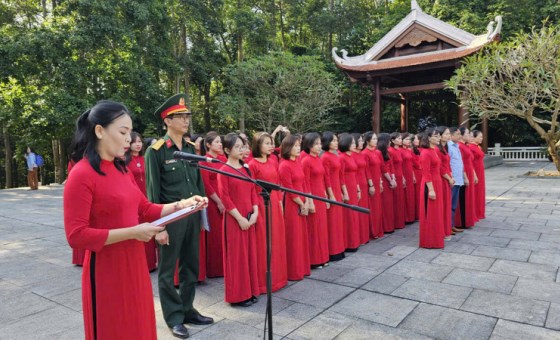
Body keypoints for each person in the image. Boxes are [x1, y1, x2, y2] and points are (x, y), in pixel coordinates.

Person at [64, 100, 207, 340]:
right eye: (122, 132)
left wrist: (182, 205)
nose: (129, 139)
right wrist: (132, 232)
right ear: (99, 131)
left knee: (138, 325)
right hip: (106, 270)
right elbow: (76, 235)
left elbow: (145, 208)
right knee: (116, 328)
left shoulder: (121, 169)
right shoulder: (82, 174)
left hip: (134, 264)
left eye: (129, 132)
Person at [145, 94, 214, 339]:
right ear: (167, 120)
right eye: (180, 117)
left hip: (192, 216)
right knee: (166, 272)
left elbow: (197, 182)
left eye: (187, 116)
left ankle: (188, 310)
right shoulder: (156, 151)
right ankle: (174, 318)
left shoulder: (189, 148)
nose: (186, 121)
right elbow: (152, 193)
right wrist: (159, 226)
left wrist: (202, 204)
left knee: (190, 266)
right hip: (170, 219)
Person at [218, 133, 260, 307]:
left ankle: (250, 291)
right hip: (235, 219)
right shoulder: (223, 170)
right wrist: (240, 218)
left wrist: (256, 212)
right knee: (237, 257)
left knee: (249, 254)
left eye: (242, 146)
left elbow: (253, 191)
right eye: (237, 147)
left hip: (249, 215)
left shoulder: (246, 168)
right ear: (227, 150)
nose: (241, 149)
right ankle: (238, 295)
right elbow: (225, 198)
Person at [249, 132, 288, 293]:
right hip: (261, 204)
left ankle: (279, 279)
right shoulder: (252, 164)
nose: (271, 146)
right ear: (258, 145)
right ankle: (263, 283)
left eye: (272, 143)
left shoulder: (273, 160)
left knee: (277, 239)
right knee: (264, 242)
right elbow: (251, 189)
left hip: (274, 203)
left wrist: (280, 202)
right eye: (267, 143)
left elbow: (277, 183)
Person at [279, 134, 311, 280]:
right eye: (295, 146)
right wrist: (301, 203)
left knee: (301, 237)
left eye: (299, 145)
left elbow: (303, 182)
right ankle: (293, 271)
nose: (298, 148)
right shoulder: (284, 165)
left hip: (301, 201)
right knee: (293, 237)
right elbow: (289, 190)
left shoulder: (298, 161)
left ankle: (302, 268)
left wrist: (306, 201)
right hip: (292, 204)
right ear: (287, 147)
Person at [126, 131, 158, 271]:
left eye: (140, 142)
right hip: (133, 199)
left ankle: (150, 263)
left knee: (149, 227)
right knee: (138, 229)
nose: (138, 144)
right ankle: (139, 263)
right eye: (135, 142)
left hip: (147, 197)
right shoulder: (124, 161)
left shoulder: (145, 159)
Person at [199, 132, 226, 278]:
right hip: (213, 200)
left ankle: (225, 265)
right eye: (216, 142)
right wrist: (219, 202)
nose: (220, 144)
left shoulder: (222, 159)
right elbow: (207, 185)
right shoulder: (203, 161)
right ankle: (215, 269)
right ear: (208, 145)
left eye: (220, 142)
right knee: (215, 235)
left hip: (225, 198)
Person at [302, 132, 330, 268]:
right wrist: (310, 201)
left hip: (320, 194)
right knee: (314, 228)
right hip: (313, 196)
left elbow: (322, 179)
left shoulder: (318, 159)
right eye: (316, 144)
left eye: (320, 144)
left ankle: (323, 257)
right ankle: (314, 259)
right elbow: (305, 182)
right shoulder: (306, 160)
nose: (319, 146)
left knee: (322, 228)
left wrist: (325, 196)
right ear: (308, 145)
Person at [418, 128, 445, 249]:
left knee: (436, 213)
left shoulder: (434, 150)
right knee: (430, 213)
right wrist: (431, 189)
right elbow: (426, 172)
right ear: (428, 138)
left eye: (439, 136)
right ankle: (429, 241)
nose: (438, 138)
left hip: (437, 182)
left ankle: (436, 239)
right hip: (430, 184)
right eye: (435, 136)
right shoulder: (425, 152)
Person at [321, 132, 345, 261]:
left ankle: (339, 249)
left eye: (337, 140)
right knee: (332, 221)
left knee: (338, 221)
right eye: (333, 140)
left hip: (337, 188)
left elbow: (339, 176)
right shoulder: (325, 157)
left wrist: (342, 191)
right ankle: (333, 251)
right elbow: (327, 178)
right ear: (327, 142)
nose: (336, 142)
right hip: (331, 190)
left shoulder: (335, 156)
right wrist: (331, 195)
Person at [338, 133, 361, 252]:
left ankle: (354, 242)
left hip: (353, 186)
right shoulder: (341, 157)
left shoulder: (351, 156)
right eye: (352, 143)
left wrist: (358, 188)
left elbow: (355, 173)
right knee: (348, 216)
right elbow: (340, 177)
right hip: (346, 187)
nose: (355, 144)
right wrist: (344, 192)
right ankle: (348, 243)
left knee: (354, 215)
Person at [454, 127, 478, 229]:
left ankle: (467, 219)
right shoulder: (459, 146)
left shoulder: (465, 146)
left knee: (467, 198)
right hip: (464, 172)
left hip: (468, 171)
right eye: (467, 134)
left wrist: (474, 174)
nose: (469, 136)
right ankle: (461, 221)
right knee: (463, 198)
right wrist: (465, 176)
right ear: (462, 135)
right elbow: (461, 163)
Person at [362, 132, 384, 239]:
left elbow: (379, 168)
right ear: (367, 141)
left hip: (377, 180)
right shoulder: (365, 153)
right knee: (373, 207)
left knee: (378, 207)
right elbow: (367, 171)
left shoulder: (377, 152)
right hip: (370, 182)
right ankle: (372, 231)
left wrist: (380, 182)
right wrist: (371, 185)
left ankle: (378, 230)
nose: (376, 141)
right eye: (373, 139)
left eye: (376, 139)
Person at [351, 133, 371, 244]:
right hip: (356, 183)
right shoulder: (351, 155)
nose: (361, 142)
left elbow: (366, 170)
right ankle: (358, 237)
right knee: (358, 212)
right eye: (359, 141)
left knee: (363, 211)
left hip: (363, 183)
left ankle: (364, 236)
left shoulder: (361, 155)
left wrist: (370, 183)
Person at [435, 127, 454, 239]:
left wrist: (451, 176)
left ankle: (446, 230)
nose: (448, 136)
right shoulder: (437, 149)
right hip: (442, 180)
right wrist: (449, 178)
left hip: (447, 179)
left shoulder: (444, 147)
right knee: (443, 206)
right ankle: (441, 231)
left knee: (446, 205)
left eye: (449, 134)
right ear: (440, 135)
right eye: (446, 134)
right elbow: (440, 168)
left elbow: (447, 164)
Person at [377, 133, 397, 234]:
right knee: (385, 204)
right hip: (384, 179)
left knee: (389, 204)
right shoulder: (379, 153)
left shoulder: (388, 152)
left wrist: (393, 178)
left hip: (389, 177)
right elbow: (383, 168)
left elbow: (391, 166)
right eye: (388, 141)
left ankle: (390, 226)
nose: (390, 142)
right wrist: (390, 179)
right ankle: (385, 226)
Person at [447, 128, 465, 234]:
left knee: (454, 205)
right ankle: (448, 226)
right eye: (457, 134)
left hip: (458, 179)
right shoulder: (449, 146)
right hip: (452, 180)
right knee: (449, 204)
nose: (460, 136)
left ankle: (452, 225)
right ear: (452, 135)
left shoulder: (456, 146)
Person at [389, 132, 406, 229]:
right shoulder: (390, 151)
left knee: (400, 200)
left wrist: (403, 177)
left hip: (400, 176)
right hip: (395, 176)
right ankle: (395, 222)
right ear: (393, 140)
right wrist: (393, 177)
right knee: (396, 199)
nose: (400, 140)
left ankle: (400, 222)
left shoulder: (399, 150)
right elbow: (390, 166)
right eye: (398, 138)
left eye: (401, 138)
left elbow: (401, 166)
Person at [470, 130, 486, 220]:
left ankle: (480, 212)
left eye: (482, 137)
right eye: (480, 137)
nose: (482, 138)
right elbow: (470, 162)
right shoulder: (470, 147)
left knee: (480, 191)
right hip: (475, 171)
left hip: (481, 171)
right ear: (474, 137)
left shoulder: (478, 147)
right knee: (476, 192)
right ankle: (475, 212)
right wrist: (474, 174)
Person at [400, 133, 416, 224]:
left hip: (410, 173)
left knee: (410, 195)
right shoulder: (400, 151)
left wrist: (413, 175)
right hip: (404, 174)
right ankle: (406, 217)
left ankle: (411, 216)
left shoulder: (409, 150)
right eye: (406, 139)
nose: (408, 141)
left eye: (409, 139)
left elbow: (411, 164)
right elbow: (399, 165)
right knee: (405, 196)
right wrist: (402, 177)